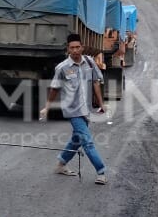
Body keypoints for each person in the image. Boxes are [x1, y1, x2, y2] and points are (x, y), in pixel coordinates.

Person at [40, 33, 108, 185]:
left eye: (78, 47)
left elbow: (96, 82)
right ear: (68, 49)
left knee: (77, 139)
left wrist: (101, 104)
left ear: (82, 47)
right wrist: (47, 107)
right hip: (73, 110)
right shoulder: (62, 68)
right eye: (72, 48)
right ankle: (101, 172)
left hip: (87, 109)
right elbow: (54, 89)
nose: (76, 50)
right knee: (87, 141)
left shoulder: (89, 62)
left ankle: (61, 163)